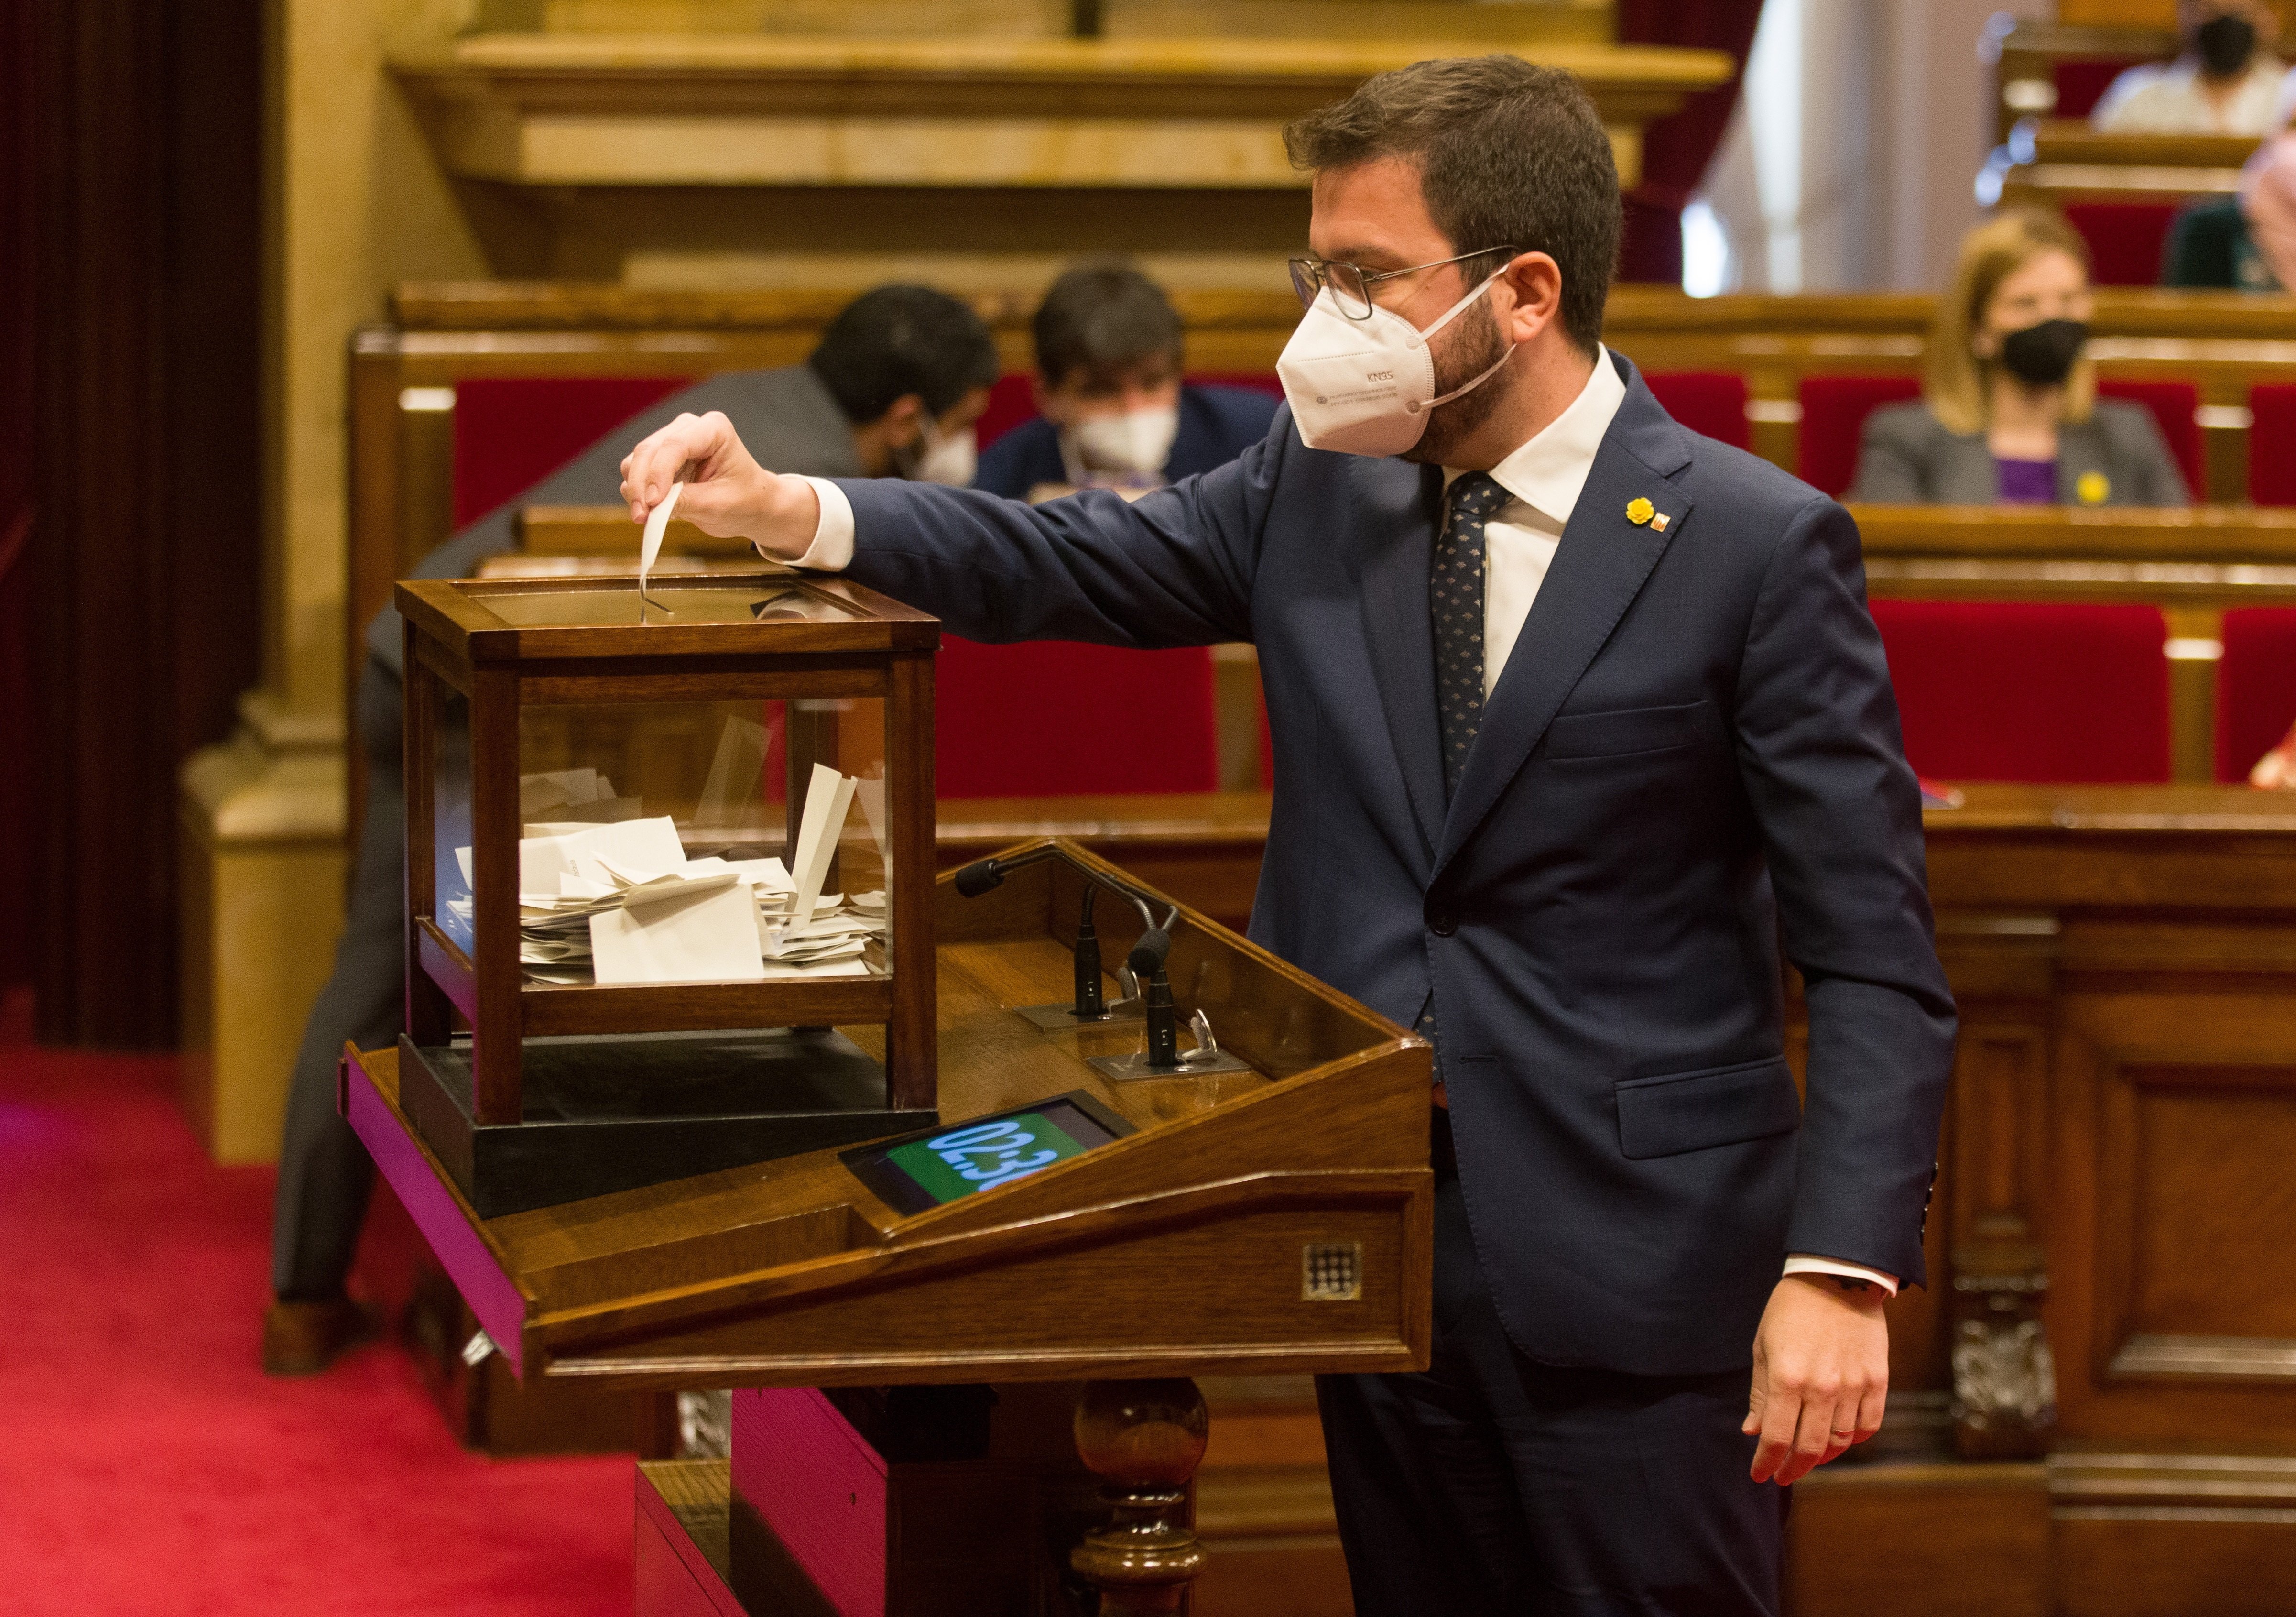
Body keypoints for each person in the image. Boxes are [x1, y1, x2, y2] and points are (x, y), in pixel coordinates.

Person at [622, 56, 1955, 1616]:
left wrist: (1839, 1268)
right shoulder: (1319, 490)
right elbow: (1066, 558)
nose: (1323, 321)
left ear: (1523, 292)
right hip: (1365, 1222)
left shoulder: (1754, 543)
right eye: (1314, 272)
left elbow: (1871, 952)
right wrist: (796, 511)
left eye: (1365, 278)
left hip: (1638, 1270)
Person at [264, 285, 1001, 1374]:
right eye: (963, 413)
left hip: (430, 662)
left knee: (390, 974)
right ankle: (315, 1295)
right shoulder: (795, 472)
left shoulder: (761, 404)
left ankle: (309, 1291)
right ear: (906, 416)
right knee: (393, 980)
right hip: (467, 691)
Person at [1848, 211, 2191, 506]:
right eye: (2025, 304)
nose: (2051, 319)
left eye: (2069, 300)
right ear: (1979, 330)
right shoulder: (1906, 442)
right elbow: (1892, 570)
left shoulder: (2127, 435)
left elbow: (2178, 562)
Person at [972, 260, 1278, 498]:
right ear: (1049, 397)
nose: (1134, 409)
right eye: (1101, 390)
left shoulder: (1260, 441)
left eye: (1152, 384)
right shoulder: (1000, 487)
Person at [2092, 0, 2288, 135]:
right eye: (2210, 10)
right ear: (2184, 13)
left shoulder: (2291, 95)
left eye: (2239, 11)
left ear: (2269, 19)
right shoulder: (2137, 94)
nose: (2225, 24)